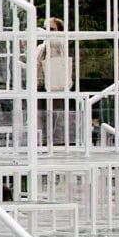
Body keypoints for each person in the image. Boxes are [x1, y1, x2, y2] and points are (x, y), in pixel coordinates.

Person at [35, 17, 72, 145]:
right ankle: (40, 142)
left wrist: (45, 34)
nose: (48, 31)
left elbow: (56, 43)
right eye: (46, 29)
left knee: (56, 116)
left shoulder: (60, 43)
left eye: (51, 29)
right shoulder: (41, 46)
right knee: (38, 116)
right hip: (40, 84)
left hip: (55, 84)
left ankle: (57, 143)